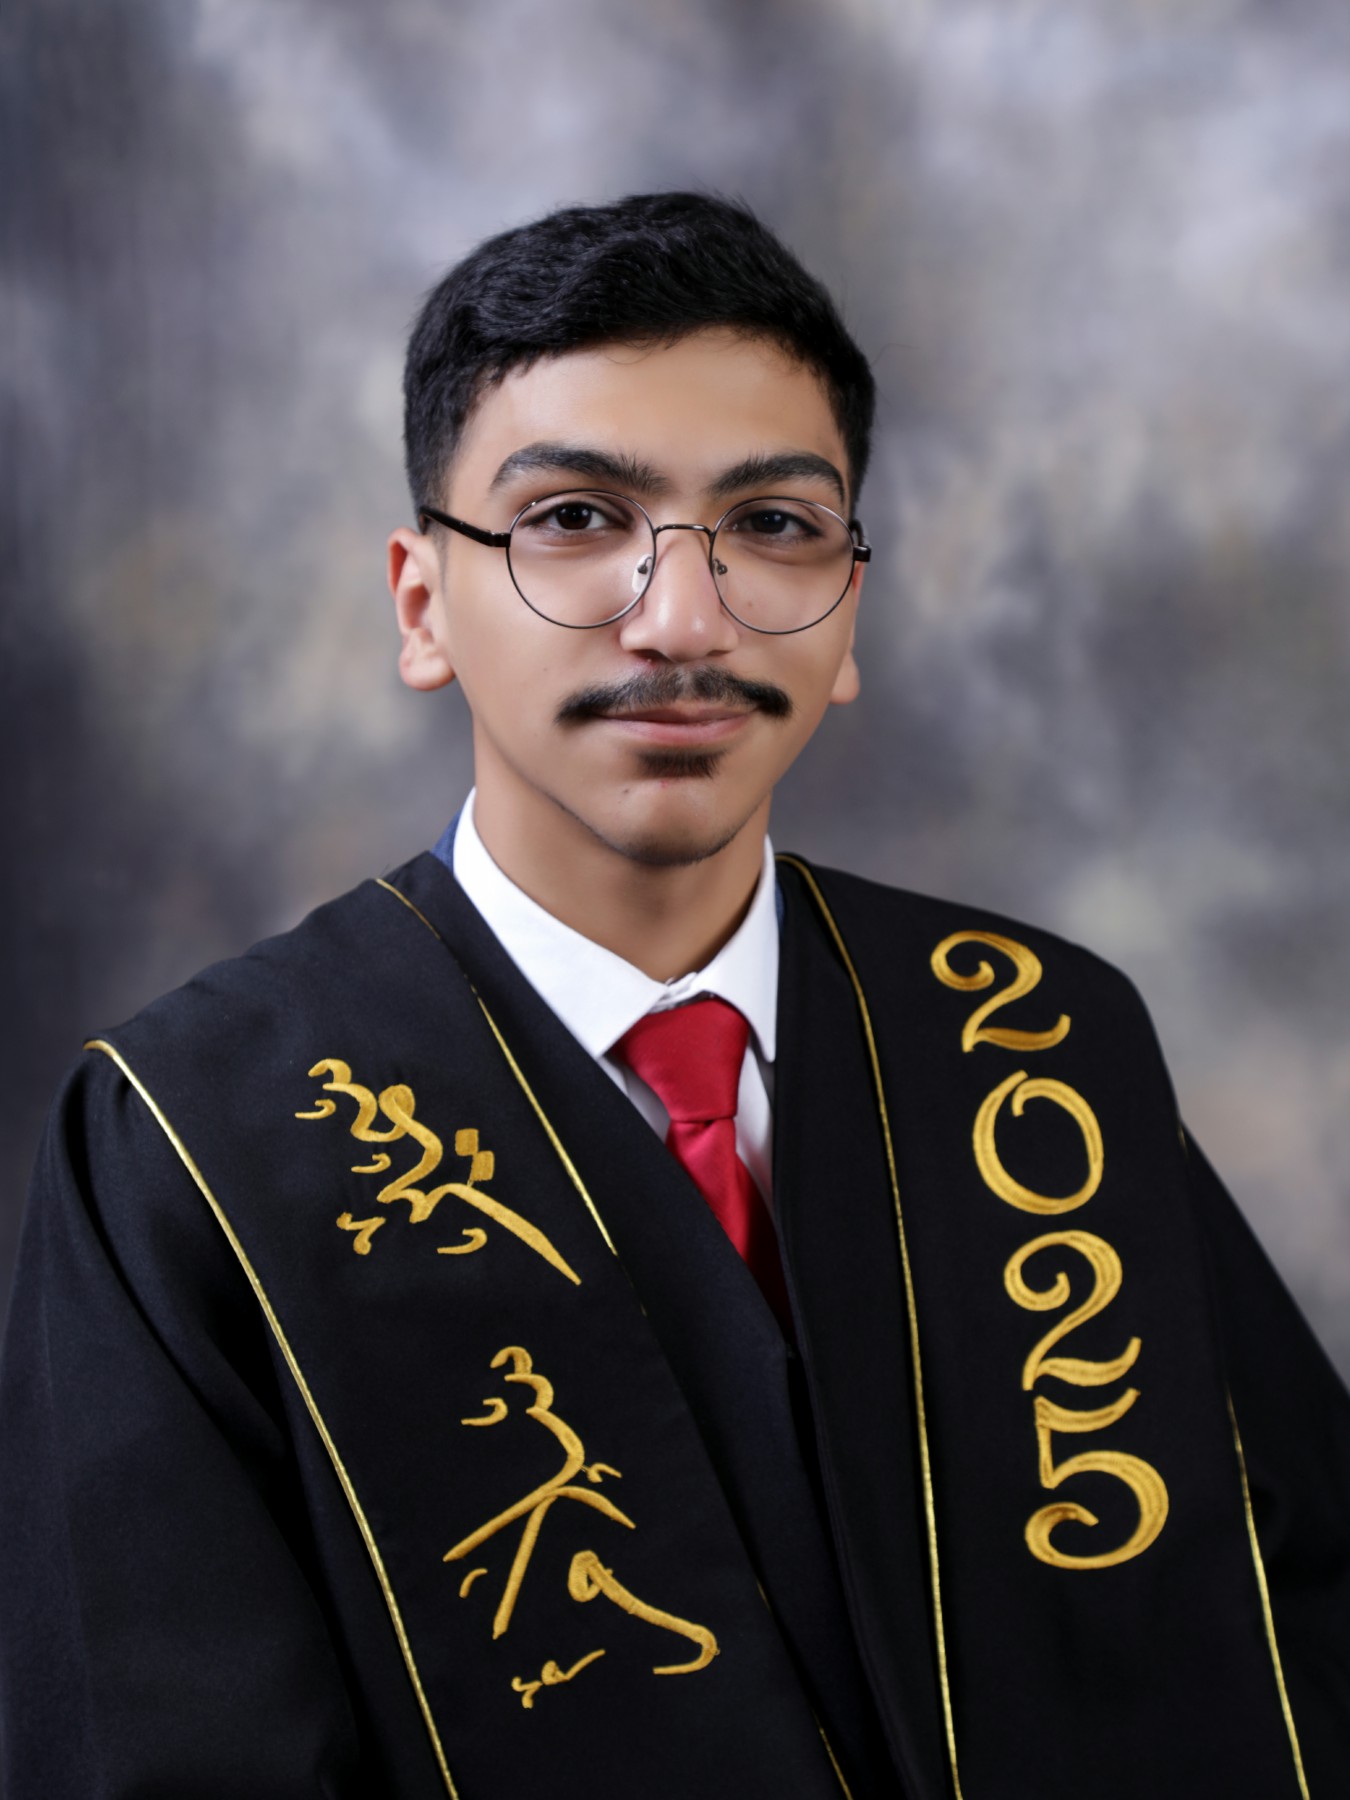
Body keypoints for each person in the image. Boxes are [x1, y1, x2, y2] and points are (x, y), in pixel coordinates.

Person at [1, 192, 1346, 1800]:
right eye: (574, 517)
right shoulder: (192, 1144)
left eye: (773, 524)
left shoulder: (1033, 1048)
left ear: (848, 610)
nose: (684, 620)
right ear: (422, 606)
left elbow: (1308, 1627)